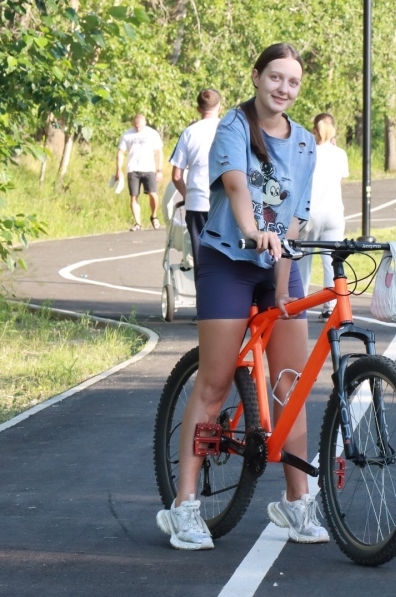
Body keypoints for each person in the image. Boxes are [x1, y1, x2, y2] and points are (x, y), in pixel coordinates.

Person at [154, 43, 326, 551]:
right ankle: (184, 505)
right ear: (256, 76)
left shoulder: (305, 143)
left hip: (279, 263)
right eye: (275, 78)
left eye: (292, 82)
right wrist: (253, 233)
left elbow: (295, 220)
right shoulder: (232, 125)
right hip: (229, 258)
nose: (283, 89)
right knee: (215, 381)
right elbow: (236, 188)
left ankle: (297, 502)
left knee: (290, 385)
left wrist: (282, 286)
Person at [299, 113, 349, 317]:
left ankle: (300, 303)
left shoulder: (307, 152)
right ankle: (330, 305)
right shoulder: (340, 154)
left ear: (314, 131)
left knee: (303, 260)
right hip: (334, 211)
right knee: (331, 261)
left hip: (311, 211)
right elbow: (341, 180)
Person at [169, 89, 223, 265]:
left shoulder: (189, 132)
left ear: (198, 109)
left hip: (197, 202)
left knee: (201, 258)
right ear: (220, 107)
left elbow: (176, 176)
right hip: (225, 203)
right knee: (224, 259)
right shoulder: (229, 130)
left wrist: (187, 196)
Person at [116, 114, 164, 231]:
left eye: (140, 126)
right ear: (133, 123)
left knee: (153, 194)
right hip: (133, 169)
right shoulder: (127, 134)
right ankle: (138, 223)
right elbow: (121, 152)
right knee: (134, 196)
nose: (138, 128)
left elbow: (159, 152)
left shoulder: (152, 134)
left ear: (145, 123)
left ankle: (154, 216)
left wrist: (159, 170)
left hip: (149, 168)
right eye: (136, 125)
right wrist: (119, 170)